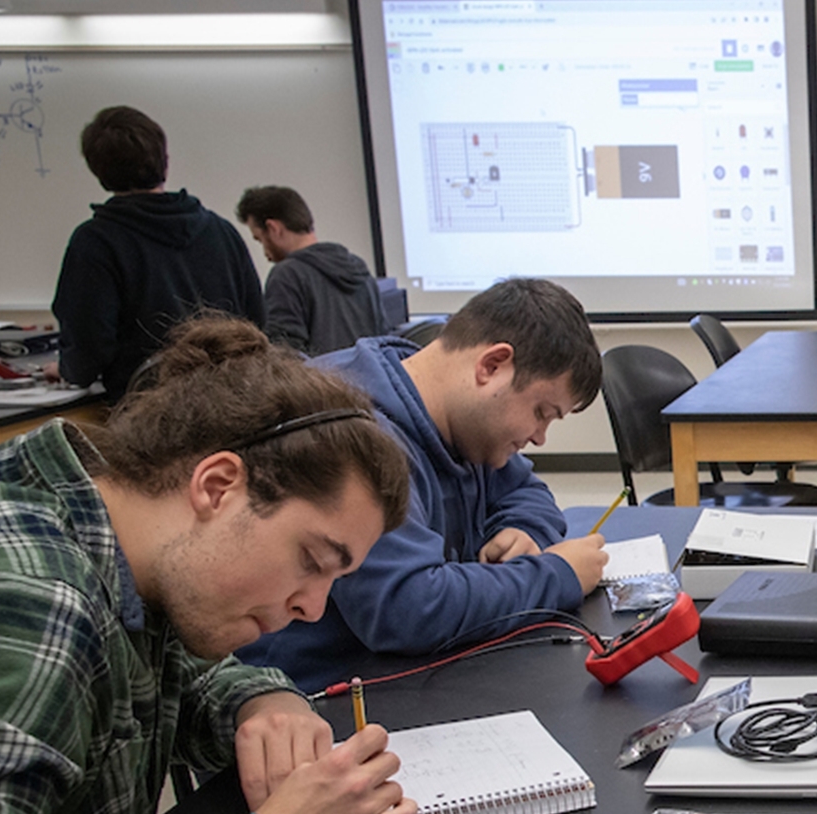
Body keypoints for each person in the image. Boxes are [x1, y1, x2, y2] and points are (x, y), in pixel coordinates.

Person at [0, 317, 420, 814]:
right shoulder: (27, 598)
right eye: (312, 560)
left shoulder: (116, 532)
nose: (313, 608)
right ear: (217, 485)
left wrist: (263, 699)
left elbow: (163, 679)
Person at [239, 278, 608, 692]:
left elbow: (527, 491)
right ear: (491, 366)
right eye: (541, 412)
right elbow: (408, 609)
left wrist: (523, 530)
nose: (540, 436)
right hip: (317, 700)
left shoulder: (459, 419)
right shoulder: (353, 437)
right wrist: (558, 575)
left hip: (409, 676)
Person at [49, 106, 265, 401]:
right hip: (231, 404)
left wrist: (68, 370)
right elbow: (256, 325)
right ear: (164, 160)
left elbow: (89, 348)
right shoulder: (221, 230)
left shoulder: (95, 242)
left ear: (98, 171)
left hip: (147, 417)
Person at [236, 185, 390, 356]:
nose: (265, 253)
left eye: (260, 239)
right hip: (370, 380)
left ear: (273, 228)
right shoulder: (358, 267)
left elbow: (287, 356)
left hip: (322, 382)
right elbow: (383, 341)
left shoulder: (286, 276)